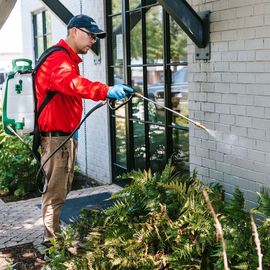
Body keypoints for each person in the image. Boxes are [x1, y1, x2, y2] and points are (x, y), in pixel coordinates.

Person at [35, 14, 134, 247]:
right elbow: (72, 84)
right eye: (90, 35)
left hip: (64, 136)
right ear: (74, 31)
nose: (93, 41)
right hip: (56, 138)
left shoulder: (66, 59)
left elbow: (69, 90)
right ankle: (52, 244)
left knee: (61, 189)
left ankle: (53, 238)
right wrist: (106, 90)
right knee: (55, 193)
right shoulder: (58, 59)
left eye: (95, 37)